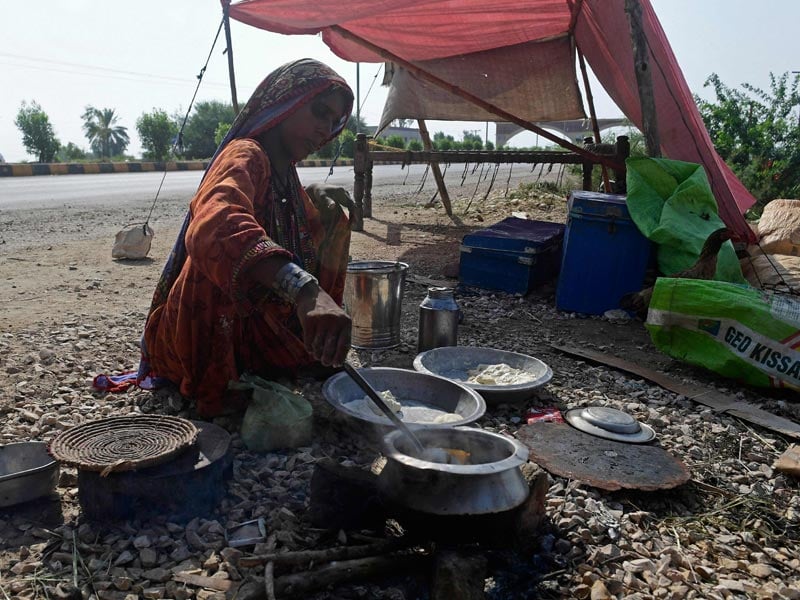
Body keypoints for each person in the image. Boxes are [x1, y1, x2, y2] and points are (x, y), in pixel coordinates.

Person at [136, 59, 355, 418]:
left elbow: (291, 222)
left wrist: (316, 194)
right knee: (217, 251)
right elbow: (215, 221)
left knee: (335, 216)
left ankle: (318, 342)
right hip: (198, 337)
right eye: (319, 112)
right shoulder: (247, 153)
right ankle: (216, 386)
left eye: (333, 122)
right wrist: (305, 291)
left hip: (254, 326)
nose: (324, 129)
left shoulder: (285, 170)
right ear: (286, 102)